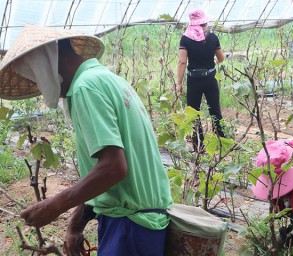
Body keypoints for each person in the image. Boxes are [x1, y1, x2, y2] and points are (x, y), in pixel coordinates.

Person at [0, 25, 172, 256]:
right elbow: (103, 171)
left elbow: (113, 168)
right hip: (142, 222)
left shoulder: (85, 88)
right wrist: (75, 226)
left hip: (130, 226)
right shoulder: (108, 79)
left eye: (36, 76)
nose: (40, 87)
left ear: (48, 62)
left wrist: (55, 206)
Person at [176, 9, 226, 150]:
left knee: (193, 113)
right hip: (210, 78)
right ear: (204, 23)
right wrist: (212, 64)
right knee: (215, 111)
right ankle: (222, 143)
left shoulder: (185, 39)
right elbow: (221, 58)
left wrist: (179, 83)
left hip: (194, 80)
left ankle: (199, 146)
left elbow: (182, 62)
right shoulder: (212, 37)